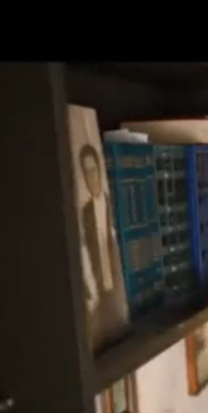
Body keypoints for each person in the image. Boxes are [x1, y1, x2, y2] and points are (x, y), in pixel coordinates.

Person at [78, 144, 124, 339]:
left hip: (119, 289)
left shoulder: (114, 203)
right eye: (86, 172)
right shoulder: (86, 212)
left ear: (99, 169)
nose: (91, 177)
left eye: (93, 170)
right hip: (100, 294)